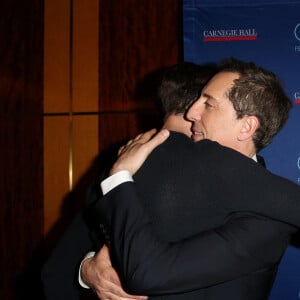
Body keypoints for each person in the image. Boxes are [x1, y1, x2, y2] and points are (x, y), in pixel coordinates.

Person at [80, 58, 300, 299]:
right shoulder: (154, 157)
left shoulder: (268, 219)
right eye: (197, 99)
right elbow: (89, 225)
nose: (191, 112)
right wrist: (88, 268)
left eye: (208, 104)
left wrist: (119, 177)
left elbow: (150, 272)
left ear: (246, 127)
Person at [41, 61, 217, 300]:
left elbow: (56, 271)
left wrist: (86, 269)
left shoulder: (118, 159)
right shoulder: (217, 165)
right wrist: (88, 271)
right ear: (201, 105)